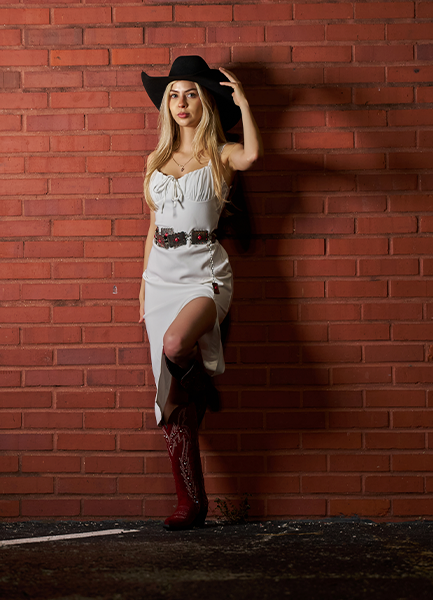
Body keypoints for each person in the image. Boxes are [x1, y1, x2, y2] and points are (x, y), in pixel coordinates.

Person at [138, 56, 261, 530]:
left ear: (205, 102)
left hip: (205, 274)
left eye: (190, 93)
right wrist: (142, 284)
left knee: (176, 345)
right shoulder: (156, 161)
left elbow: (253, 157)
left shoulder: (222, 154)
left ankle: (202, 387)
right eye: (173, 94)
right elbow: (152, 228)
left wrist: (243, 103)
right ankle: (191, 503)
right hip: (161, 277)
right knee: (168, 401)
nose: (181, 102)